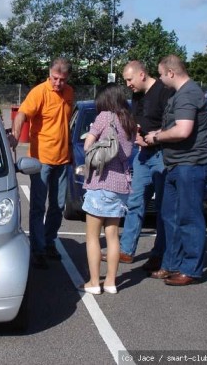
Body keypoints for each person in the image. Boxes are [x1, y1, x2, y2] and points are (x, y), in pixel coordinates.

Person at [144, 55, 207, 286]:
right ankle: (171, 264)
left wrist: (156, 137)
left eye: (162, 74)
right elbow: (175, 127)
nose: (161, 79)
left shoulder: (187, 94)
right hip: (176, 164)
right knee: (169, 216)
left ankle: (191, 269)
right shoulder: (179, 94)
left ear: (171, 73)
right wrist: (156, 134)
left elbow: (183, 131)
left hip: (191, 164)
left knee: (189, 217)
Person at [10, 58, 74, 269]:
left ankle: (49, 241)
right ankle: (37, 248)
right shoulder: (39, 92)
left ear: (67, 78)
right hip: (41, 161)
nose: (58, 83)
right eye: (55, 78)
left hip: (63, 160)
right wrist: (15, 137)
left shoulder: (69, 93)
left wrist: (71, 153)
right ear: (49, 74)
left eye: (62, 80)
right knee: (38, 206)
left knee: (58, 206)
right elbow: (22, 114)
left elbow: (65, 126)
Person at [116, 61, 174, 271]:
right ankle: (126, 250)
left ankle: (159, 255)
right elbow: (137, 120)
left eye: (129, 80)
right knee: (135, 201)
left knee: (162, 208)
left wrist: (153, 138)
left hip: (161, 154)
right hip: (143, 155)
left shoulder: (163, 91)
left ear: (141, 75)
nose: (128, 84)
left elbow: (171, 124)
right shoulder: (138, 95)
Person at [79, 84, 136, 294]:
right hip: (121, 185)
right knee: (112, 236)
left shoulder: (105, 117)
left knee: (92, 236)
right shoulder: (129, 120)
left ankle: (94, 282)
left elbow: (87, 146)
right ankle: (111, 282)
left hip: (101, 182)